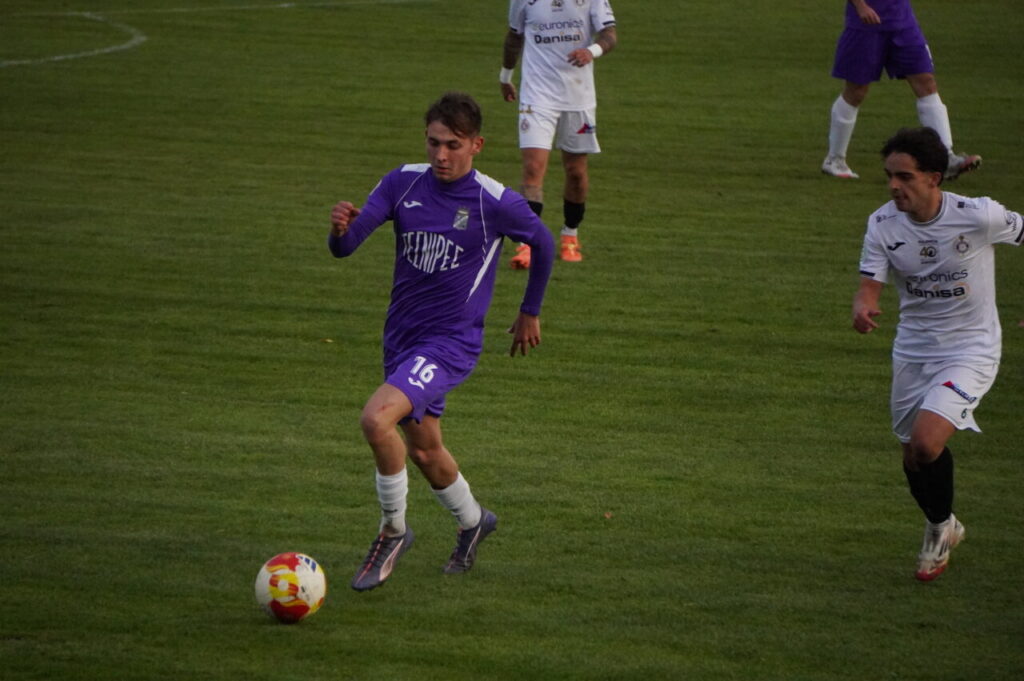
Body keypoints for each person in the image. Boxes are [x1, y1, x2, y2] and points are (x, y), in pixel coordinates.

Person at [328, 92, 555, 591]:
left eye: (452, 145)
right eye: (433, 143)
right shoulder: (401, 181)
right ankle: (475, 522)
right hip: (400, 338)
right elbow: (347, 248)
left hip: (450, 343)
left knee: (375, 419)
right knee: (425, 451)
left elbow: (543, 243)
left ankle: (393, 531)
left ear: (477, 145)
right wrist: (339, 231)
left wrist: (529, 312)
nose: (440, 156)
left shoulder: (493, 201)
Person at [852, 127, 1022, 581]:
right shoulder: (883, 224)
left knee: (928, 442)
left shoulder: (979, 216)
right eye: (889, 176)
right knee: (912, 457)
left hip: (971, 348)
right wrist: (863, 305)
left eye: (904, 177)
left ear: (933, 177)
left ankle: (938, 528)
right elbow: (870, 282)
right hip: (913, 350)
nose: (893, 186)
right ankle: (941, 525)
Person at [499, 0, 617, 268]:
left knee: (576, 172)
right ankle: (528, 243)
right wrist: (505, 77)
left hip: (578, 98)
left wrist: (592, 51)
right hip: (537, 96)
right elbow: (514, 36)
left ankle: (570, 234)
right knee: (532, 169)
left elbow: (610, 34)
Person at [823, 0, 981, 181]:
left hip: (903, 22)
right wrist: (861, 6)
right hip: (866, 24)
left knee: (926, 83)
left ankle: (946, 158)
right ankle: (835, 159)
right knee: (856, 91)